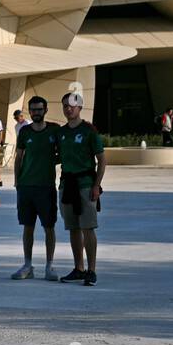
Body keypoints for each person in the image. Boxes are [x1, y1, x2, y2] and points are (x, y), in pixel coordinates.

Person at [57, 92, 105, 287]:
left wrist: (96, 186)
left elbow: (101, 160)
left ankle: (91, 270)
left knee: (88, 227)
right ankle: (79, 268)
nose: (68, 109)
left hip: (85, 184)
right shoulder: (61, 132)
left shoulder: (89, 131)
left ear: (79, 107)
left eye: (71, 105)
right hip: (66, 184)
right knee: (73, 228)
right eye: (65, 106)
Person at [11, 95, 61, 281]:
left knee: (49, 227)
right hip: (26, 186)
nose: (36, 113)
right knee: (28, 227)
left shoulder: (54, 130)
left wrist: (51, 160)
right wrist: (17, 181)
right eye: (33, 110)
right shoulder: (25, 132)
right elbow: (19, 157)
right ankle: (27, 265)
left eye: (39, 109)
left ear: (46, 110)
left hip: (46, 186)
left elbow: (64, 152)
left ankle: (49, 266)